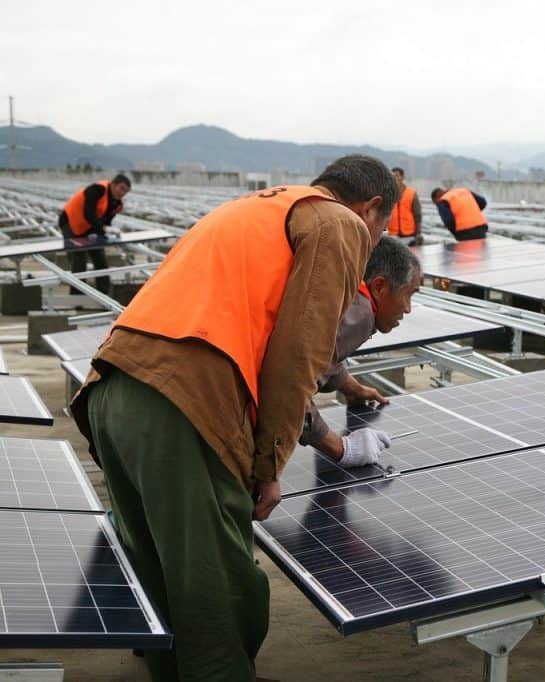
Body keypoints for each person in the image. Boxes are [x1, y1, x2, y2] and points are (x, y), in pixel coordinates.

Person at [69, 155, 398, 682]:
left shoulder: (260, 206)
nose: (374, 241)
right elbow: (298, 353)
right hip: (181, 401)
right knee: (216, 585)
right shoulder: (340, 223)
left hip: (113, 387)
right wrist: (269, 465)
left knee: (158, 571)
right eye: (380, 228)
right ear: (372, 206)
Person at [301, 236, 421, 463]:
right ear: (379, 287)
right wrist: (342, 448)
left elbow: (321, 355)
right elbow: (288, 389)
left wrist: (351, 388)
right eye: (408, 294)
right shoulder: (360, 315)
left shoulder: (346, 294)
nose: (408, 308)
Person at [58, 173, 132, 294]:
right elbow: (88, 213)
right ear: (113, 184)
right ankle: (77, 296)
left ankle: (104, 293)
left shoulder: (117, 204)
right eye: (121, 188)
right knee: (78, 259)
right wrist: (104, 228)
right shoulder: (97, 190)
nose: (122, 193)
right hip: (71, 222)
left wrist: (107, 231)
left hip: (90, 228)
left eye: (126, 191)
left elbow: (106, 221)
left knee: (100, 257)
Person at [388, 167, 423, 246]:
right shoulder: (388, 194)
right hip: (393, 234)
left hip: (409, 233)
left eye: (396, 176)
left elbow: (417, 214)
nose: (394, 178)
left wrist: (418, 233)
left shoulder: (412, 193)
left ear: (402, 177)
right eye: (392, 176)